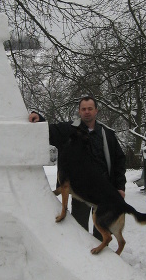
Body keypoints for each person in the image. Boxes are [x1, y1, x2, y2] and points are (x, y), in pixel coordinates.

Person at [28, 96, 126, 237]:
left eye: (90, 109)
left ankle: (101, 256)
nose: (87, 112)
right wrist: (39, 118)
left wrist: (120, 186)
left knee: (102, 230)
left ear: (96, 111)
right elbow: (48, 131)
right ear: (79, 112)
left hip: (104, 189)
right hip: (80, 191)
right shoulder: (69, 130)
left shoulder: (107, 134)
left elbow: (119, 161)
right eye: (83, 109)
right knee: (79, 230)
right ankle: (82, 256)